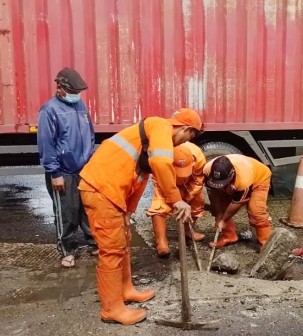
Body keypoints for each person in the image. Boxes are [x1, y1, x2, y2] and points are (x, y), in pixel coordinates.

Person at [79, 108, 203, 325]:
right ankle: (112, 309)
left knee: (123, 243)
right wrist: (176, 200)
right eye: (188, 138)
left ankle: (125, 290)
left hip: (113, 192)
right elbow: (161, 164)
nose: (181, 144)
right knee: (112, 250)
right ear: (185, 128)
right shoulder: (160, 126)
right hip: (101, 190)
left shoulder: (149, 138)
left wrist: (128, 211)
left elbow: (140, 177)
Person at [37, 67, 97, 268]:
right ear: (60, 88)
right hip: (63, 171)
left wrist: (90, 161)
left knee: (87, 209)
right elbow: (47, 143)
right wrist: (55, 172)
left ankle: (93, 242)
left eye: (77, 93)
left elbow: (89, 134)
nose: (75, 96)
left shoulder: (80, 106)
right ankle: (67, 249)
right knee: (67, 211)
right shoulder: (49, 110)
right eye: (72, 92)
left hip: (84, 169)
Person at [147, 142, 206, 257]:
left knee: (197, 202)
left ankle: (188, 231)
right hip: (165, 179)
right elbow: (159, 181)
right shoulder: (159, 161)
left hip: (190, 181)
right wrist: (175, 199)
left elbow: (198, 179)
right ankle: (161, 242)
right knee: (160, 204)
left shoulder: (198, 158)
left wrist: (188, 198)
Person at [203, 154, 272, 249]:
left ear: (231, 174)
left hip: (259, 178)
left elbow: (236, 203)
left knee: (256, 211)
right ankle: (229, 236)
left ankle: (266, 242)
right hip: (237, 179)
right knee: (221, 207)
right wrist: (218, 214)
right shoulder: (207, 170)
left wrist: (223, 220)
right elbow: (213, 195)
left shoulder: (244, 178)